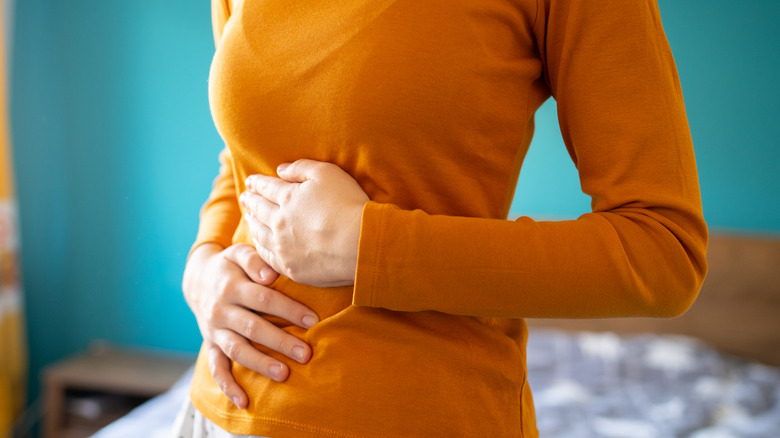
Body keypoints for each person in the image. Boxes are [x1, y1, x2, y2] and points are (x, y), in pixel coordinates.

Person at [178, 0, 708, 436]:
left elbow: (662, 252)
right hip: (218, 411)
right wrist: (203, 264)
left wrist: (373, 247)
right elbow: (246, 154)